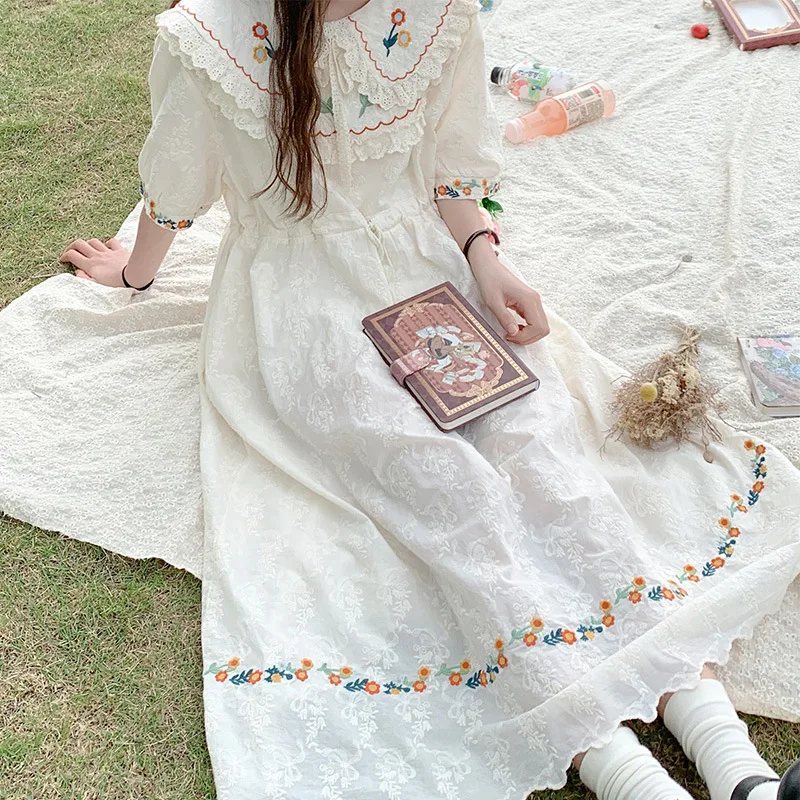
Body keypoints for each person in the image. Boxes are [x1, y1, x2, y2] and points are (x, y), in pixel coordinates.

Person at [51, 0, 800, 797]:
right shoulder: (206, 35)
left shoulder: (438, 12)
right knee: (449, 497)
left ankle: (743, 776)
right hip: (299, 305)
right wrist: (133, 272)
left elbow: (449, 169)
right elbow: (176, 188)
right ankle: (631, 779)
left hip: (427, 276)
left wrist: (486, 259)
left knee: (548, 459)